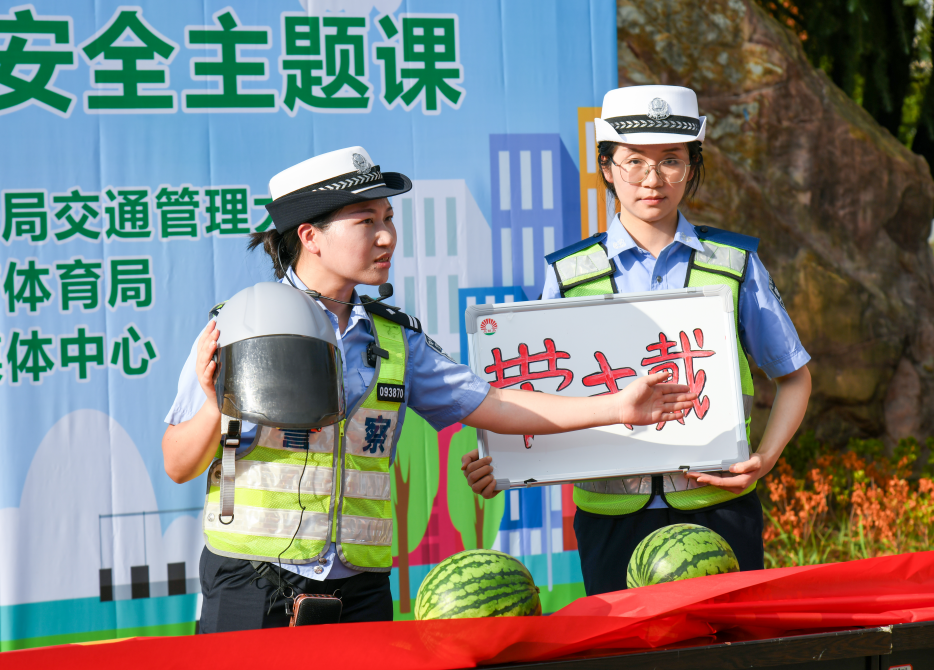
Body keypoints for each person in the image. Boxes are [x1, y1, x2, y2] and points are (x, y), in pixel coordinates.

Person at [162, 146, 695, 632]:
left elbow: (493, 403)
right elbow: (178, 464)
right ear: (310, 236)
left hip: (361, 591)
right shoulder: (240, 324)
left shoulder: (394, 338)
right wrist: (213, 407)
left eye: (389, 219)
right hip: (253, 585)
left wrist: (616, 406)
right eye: (366, 221)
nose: (387, 237)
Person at [462, 85, 813, 596]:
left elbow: (795, 378)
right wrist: (503, 459)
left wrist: (767, 456)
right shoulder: (567, 274)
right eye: (633, 162)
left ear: (691, 166)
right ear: (606, 167)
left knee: (728, 641)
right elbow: (541, 395)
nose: (652, 179)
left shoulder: (734, 263)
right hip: (611, 520)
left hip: (719, 508)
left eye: (671, 160)